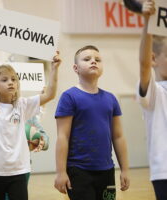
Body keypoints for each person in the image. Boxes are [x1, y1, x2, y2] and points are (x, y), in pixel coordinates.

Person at [0, 31, 61, 200]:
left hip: (19, 171)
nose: (11, 82)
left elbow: (50, 94)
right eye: (4, 80)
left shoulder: (23, 105)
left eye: (13, 79)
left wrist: (54, 69)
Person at [54, 45, 130, 200]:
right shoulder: (69, 97)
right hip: (78, 170)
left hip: (107, 170)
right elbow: (62, 137)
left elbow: (118, 137)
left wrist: (125, 169)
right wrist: (61, 172)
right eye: (87, 59)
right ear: (76, 68)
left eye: (97, 59)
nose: (93, 62)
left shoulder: (111, 99)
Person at [137, 1, 167, 199]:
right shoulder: (155, 91)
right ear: (154, 58)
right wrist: (148, 22)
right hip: (164, 172)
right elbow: (143, 64)